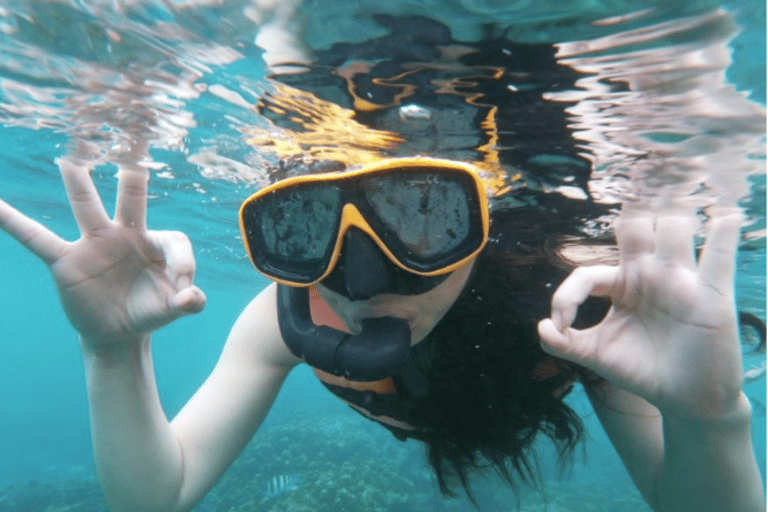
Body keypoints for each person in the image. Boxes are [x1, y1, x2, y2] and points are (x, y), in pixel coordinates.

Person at [1, 13, 765, 512]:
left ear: (482, 222)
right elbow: (156, 495)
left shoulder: (576, 307)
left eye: (422, 218)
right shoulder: (291, 313)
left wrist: (709, 419)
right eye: (307, 230)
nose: (364, 282)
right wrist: (110, 350)